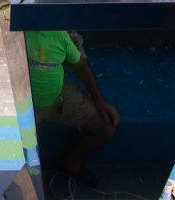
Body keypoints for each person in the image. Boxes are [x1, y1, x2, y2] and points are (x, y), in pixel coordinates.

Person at [25, 29, 119, 188]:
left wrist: (99, 99)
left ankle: (71, 161)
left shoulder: (60, 35)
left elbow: (79, 64)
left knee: (106, 126)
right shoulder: (16, 34)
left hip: (59, 95)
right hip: (26, 104)